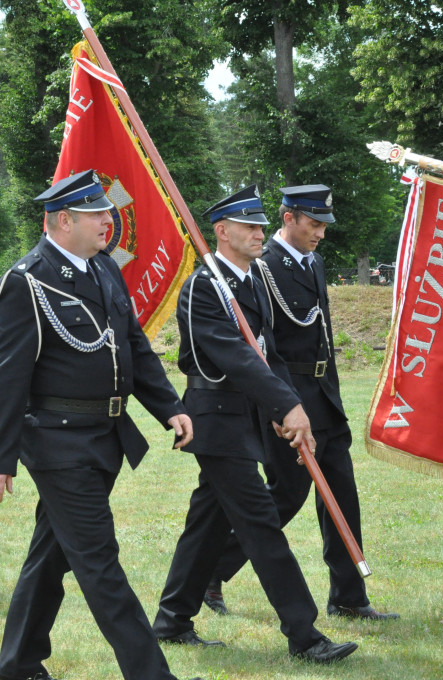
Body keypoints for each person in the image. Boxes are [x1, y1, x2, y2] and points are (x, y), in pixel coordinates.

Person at [0, 170, 200, 680]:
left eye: (108, 212)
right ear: (62, 220)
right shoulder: (27, 280)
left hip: (105, 439)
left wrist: (170, 406)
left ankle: (18, 665)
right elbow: (5, 377)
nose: (109, 221)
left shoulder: (103, 268)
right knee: (100, 562)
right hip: (58, 443)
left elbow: (134, 348)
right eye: (98, 213)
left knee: (50, 555)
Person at [150, 186, 358, 664]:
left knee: (206, 523)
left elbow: (272, 354)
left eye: (261, 226)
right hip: (216, 419)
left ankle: (171, 619)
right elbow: (235, 356)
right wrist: (287, 405)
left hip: (245, 417)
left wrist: (291, 405)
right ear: (221, 232)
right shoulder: (205, 285)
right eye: (248, 226)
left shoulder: (252, 281)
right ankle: (305, 637)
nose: (259, 233)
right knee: (262, 523)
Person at [204, 184, 399, 621]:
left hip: (324, 395)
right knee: (286, 494)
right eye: (313, 224)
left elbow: (322, 334)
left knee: (342, 493)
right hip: (287, 397)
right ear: (288, 217)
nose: (321, 234)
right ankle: (209, 571)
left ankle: (348, 597)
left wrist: (330, 394)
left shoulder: (313, 262)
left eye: (324, 225)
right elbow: (261, 345)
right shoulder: (263, 266)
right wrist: (281, 406)